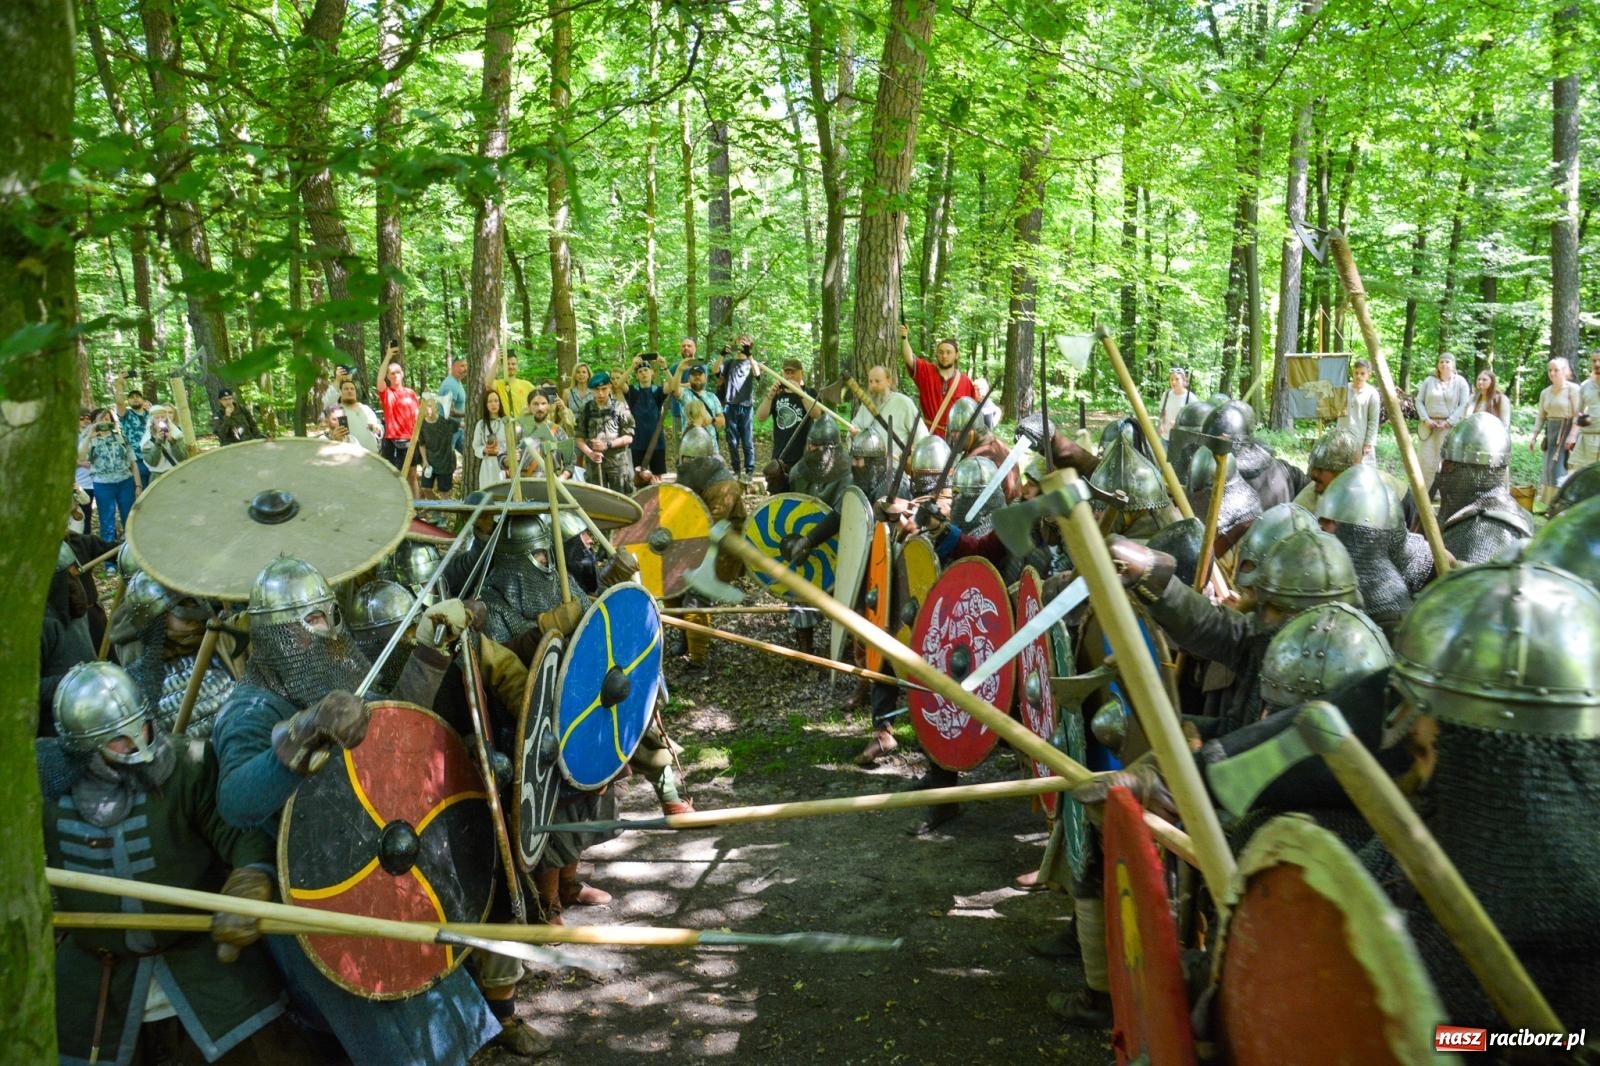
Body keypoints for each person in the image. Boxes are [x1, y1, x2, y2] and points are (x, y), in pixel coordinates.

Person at [39, 661, 309, 1066]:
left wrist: (250, 878)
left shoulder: (187, 766)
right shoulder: (41, 787)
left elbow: (239, 832)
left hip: (202, 963)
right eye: (119, 739)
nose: (139, 742)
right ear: (83, 748)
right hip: (97, 980)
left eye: (143, 727)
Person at [899, 322, 975, 437]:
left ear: (956, 355)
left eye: (949, 352)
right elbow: (909, 358)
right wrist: (904, 338)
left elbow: (972, 413)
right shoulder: (926, 372)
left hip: (955, 439)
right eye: (941, 352)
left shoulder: (966, 382)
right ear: (937, 354)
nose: (944, 356)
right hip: (929, 435)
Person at [845, 363, 921, 470]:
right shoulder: (865, 406)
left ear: (889, 381)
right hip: (866, 470)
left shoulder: (904, 403)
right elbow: (853, 429)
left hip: (894, 469)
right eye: (870, 381)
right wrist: (854, 435)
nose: (873, 385)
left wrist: (913, 457)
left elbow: (921, 435)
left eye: (877, 381)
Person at [1413, 354, 1471, 495]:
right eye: (1441, 361)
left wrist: (1449, 422)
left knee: (1448, 461)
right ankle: (1423, 494)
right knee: (1426, 461)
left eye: (1447, 361)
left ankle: (1446, 495)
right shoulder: (1429, 381)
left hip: (1450, 428)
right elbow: (1419, 401)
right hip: (1428, 427)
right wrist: (1426, 419)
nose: (1444, 364)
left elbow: (1464, 404)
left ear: (1453, 364)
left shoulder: (1460, 382)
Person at [80, 408, 140, 542]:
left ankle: (130, 548)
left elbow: (133, 463)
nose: (104, 422)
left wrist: (138, 485)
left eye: (107, 419)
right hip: (103, 484)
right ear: (94, 422)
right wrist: (89, 436)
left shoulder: (121, 437)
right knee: (107, 521)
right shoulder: (89, 439)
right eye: (100, 419)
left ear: (112, 421)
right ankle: (109, 552)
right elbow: (81, 457)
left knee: (129, 517)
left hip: (125, 482)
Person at [1531, 355, 1581, 506]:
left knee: (1561, 468)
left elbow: (1578, 415)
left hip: (1567, 432)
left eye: (1556, 370)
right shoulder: (1545, 392)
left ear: (1564, 371)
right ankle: (1549, 504)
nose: (1552, 373)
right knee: (1549, 468)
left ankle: (1562, 504)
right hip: (1551, 432)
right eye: (1550, 370)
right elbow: (1541, 416)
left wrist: (1572, 436)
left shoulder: (1573, 390)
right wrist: (1534, 435)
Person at [576, 370, 636, 493]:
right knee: (597, 499)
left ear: (609, 387)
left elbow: (629, 437)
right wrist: (590, 453)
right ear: (592, 390)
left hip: (617, 464)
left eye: (604, 389)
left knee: (621, 499)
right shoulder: (585, 409)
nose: (601, 393)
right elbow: (579, 438)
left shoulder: (620, 407)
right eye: (597, 390)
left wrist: (607, 444)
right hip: (594, 465)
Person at [714, 334, 759, 482]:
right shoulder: (729, 363)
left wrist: (749, 355)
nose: (741, 344)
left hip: (746, 406)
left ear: (749, 346)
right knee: (732, 441)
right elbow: (715, 371)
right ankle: (736, 470)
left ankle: (749, 471)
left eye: (745, 342)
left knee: (747, 441)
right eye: (739, 342)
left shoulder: (751, 362)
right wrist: (722, 354)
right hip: (730, 406)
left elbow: (757, 374)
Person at [377, 358, 421, 492]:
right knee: (394, 477)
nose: (395, 375)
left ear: (402, 374)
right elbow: (379, 380)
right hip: (393, 440)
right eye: (392, 373)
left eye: (398, 372)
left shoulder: (411, 393)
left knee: (412, 476)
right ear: (388, 376)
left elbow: (417, 415)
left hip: (411, 440)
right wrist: (388, 355)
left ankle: (415, 505)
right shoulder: (387, 393)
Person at [624, 354, 668, 481]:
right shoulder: (633, 391)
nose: (643, 373)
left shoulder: (657, 391)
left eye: (646, 370)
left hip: (657, 442)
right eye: (640, 371)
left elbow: (673, 386)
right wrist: (632, 366)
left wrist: (665, 367)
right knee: (639, 479)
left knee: (658, 478)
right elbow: (620, 384)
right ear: (637, 375)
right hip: (638, 442)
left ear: (652, 372)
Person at [663, 361, 725, 436]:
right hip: (690, 442)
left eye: (700, 374)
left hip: (711, 442)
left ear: (705, 378)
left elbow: (722, 421)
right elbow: (674, 388)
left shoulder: (712, 397)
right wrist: (680, 370)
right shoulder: (684, 394)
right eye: (694, 375)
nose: (697, 377)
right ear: (689, 379)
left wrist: (712, 420)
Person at [417, 393, 459, 501]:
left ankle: (443, 510)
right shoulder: (421, 425)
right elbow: (421, 444)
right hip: (430, 462)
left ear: (435, 407)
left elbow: (461, 425)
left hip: (445, 463)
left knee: (444, 493)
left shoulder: (445, 421)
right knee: (425, 488)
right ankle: (436, 507)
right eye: (424, 407)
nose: (427, 410)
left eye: (430, 406)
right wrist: (425, 461)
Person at [1338, 359, 1380, 464]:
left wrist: (1368, 443)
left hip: (1360, 440)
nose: (1358, 376)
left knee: (1362, 471)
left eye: (1362, 373)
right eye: (1356, 373)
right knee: (1342, 469)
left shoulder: (1372, 393)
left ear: (1368, 375)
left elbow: (1373, 420)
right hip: (1342, 438)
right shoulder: (1343, 389)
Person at [326, 378, 382, 453]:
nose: (349, 391)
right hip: (351, 455)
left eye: (352, 389)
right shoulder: (336, 411)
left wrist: (377, 429)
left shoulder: (366, 409)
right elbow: (331, 434)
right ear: (340, 392)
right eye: (346, 389)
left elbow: (379, 429)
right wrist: (334, 438)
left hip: (372, 455)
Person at [472, 388, 511, 488]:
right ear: (486, 404)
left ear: (499, 403)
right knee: (487, 493)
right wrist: (485, 450)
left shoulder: (506, 423)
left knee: (503, 493)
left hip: (503, 464)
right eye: (490, 401)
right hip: (487, 466)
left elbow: (513, 444)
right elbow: (476, 447)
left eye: (496, 401)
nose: (493, 404)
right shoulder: (481, 425)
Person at [1570, 350, 1600, 474]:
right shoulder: (1585, 386)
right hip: (1588, 440)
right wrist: (1572, 435)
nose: (1597, 364)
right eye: (1594, 361)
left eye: (1599, 360)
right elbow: (1578, 413)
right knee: (1588, 476)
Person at [118, 386, 153, 487]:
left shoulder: (151, 415)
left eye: (138, 396)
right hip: (137, 461)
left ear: (143, 400)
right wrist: (119, 384)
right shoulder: (126, 415)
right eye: (132, 397)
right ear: (128, 401)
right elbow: (119, 403)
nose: (135, 398)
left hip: (154, 458)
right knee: (143, 492)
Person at [139, 405, 186, 480]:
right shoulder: (147, 440)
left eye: (162, 417)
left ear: (166, 419)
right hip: (158, 477)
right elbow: (152, 462)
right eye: (157, 418)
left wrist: (172, 441)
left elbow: (182, 458)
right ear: (152, 421)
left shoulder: (176, 434)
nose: (160, 420)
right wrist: (157, 443)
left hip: (177, 472)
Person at [437, 356, 469, 455]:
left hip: (457, 429)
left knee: (469, 453)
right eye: (462, 366)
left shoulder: (457, 382)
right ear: (453, 367)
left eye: (466, 366)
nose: (465, 369)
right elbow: (450, 412)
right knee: (446, 459)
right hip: (448, 431)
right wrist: (468, 414)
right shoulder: (450, 385)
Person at [1155, 366, 1194, 443]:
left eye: (1177, 379)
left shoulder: (1191, 398)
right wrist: (1161, 424)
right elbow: (1163, 412)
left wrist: (1179, 424)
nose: (1173, 382)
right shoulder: (1166, 394)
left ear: (1184, 380)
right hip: (1165, 438)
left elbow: (1195, 422)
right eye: (1171, 379)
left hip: (1181, 441)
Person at [493, 352, 537, 418]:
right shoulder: (498, 384)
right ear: (502, 366)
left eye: (513, 364)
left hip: (523, 423)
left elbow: (540, 400)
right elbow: (487, 384)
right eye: (507, 364)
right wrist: (496, 362)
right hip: (505, 423)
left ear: (517, 366)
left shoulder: (527, 385)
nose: (510, 366)